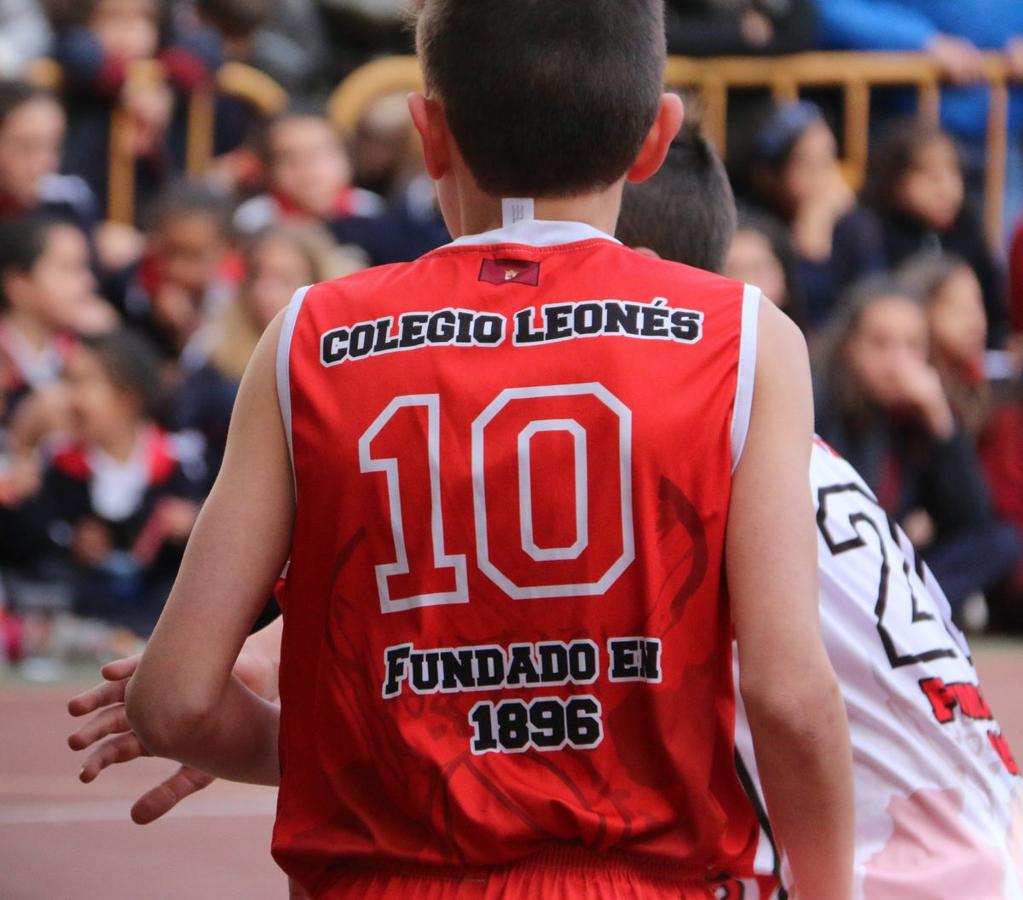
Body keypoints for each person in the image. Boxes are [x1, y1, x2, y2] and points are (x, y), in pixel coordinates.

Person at [114, 1, 853, 898]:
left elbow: (173, 701)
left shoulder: (309, 335)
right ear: (657, 136)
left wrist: (342, 755)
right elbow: (789, 698)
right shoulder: (742, 336)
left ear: (429, 133)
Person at [815, 276, 1020, 622]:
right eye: (880, 344)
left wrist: (940, 420)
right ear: (850, 345)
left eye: (913, 346)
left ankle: (905, 613)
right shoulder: (824, 402)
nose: (898, 362)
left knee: (1001, 540)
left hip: (894, 572)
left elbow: (973, 516)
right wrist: (898, 526)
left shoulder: (918, 414)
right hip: (835, 568)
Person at [731, 101, 885, 330]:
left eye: (829, 159)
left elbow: (872, 303)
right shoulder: (748, 224)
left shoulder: (854, 226)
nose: (824, 176)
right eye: (808, 164)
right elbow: (799, 316)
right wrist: (810, 249)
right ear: (767, 175)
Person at [864, 119, 1009, 348]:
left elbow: (995, 313)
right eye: (929, 176)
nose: (946, 188)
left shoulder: (968, 233)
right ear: (894, 183)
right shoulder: (873, 236)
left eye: (953, 172)